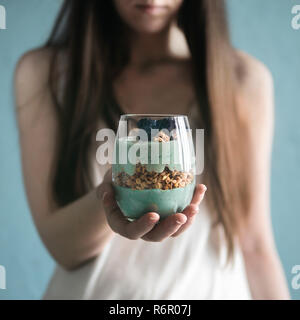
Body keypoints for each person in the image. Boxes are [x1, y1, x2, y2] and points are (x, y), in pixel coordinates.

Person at [14, 0, 290, 299]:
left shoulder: (241, 78)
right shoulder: (50, 73)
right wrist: (110, 198)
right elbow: (62, 248)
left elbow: (254, 244)